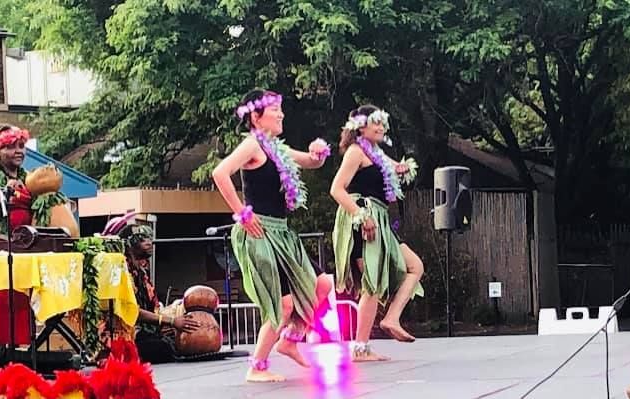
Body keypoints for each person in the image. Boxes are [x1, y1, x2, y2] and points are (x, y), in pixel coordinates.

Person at [212, 88, 330, 382]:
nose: (281, 114)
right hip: (259, 232)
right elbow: (220, 173)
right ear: (256, 116)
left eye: (280, 108)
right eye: (275, 109)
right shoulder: (252, 146)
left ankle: (290, 340)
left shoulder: (276, 149)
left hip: (282, 233)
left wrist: (319, 152)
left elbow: (310, 162)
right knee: (283, 304)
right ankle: (257, 366)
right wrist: (242, 212)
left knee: (323, 284)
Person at [330, 105, 424, 362]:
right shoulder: (355, 152)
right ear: (361, 127)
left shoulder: (376, 153)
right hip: (363, 220)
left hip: (381, 221)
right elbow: (337, 189)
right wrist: (362, 216)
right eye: (375, 123)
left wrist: (404, 169)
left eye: (383, 122)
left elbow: (398, 168)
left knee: (414, 266)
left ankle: (392, 318)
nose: (381, 127)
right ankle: (360, 348)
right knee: (372, 283)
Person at [98, 213, 201, 363]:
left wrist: (172, 315)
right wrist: (171, 321)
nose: (149, 243)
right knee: (162, 348)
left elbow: (151, 307)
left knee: (176, 341)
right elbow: (132, 311)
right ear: (129, 244)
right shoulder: (120, 272)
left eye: (148, 238)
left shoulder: (141, 271)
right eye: (142, 239)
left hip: (143, 331)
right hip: (123, 334)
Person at [0, 124, 34, 348]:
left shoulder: (31, 180)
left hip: (26, 247)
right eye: (12, 147)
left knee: (21, 299)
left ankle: (21, 349)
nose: (19, 151)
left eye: (21, 146)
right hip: (2, 249)